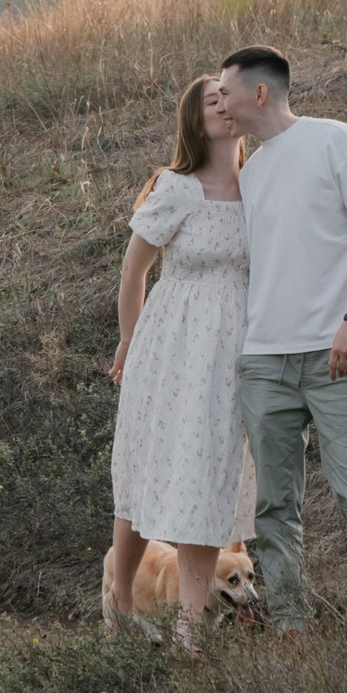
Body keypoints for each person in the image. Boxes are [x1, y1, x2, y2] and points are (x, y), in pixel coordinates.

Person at [208, 43, 347, 666]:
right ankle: (291, 635)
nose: (221, 101)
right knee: (273, 508)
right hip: (264, 362)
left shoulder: (335, 140)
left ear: (259, 93)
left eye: (226, 90)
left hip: (337, 353)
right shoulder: (251, 172)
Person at [104, 74, 255, 654]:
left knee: (212, 480)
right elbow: (133, 271)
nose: (223, 105)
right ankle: (121, 599)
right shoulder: (176, 187)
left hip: (232, 352)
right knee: (145, 468)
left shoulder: (258, 185)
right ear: (195, 121)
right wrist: (127, 341)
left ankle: (194, 629)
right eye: (211, 101)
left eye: (227, 97)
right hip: (172, 350)